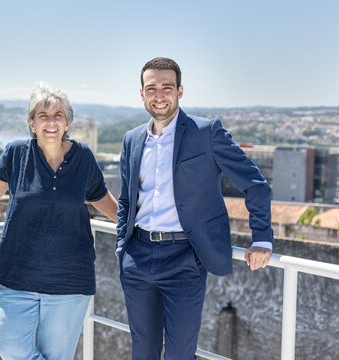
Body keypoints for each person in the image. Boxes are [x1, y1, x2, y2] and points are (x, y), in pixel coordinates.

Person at [116, 57, 274, 360]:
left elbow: (255, 183)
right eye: (151, 88)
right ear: (142, 94)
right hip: (137, 258)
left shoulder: (207, 132)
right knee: (143, 352)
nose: (159, 95)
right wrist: (122, 247)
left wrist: (262, 238)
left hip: (184, 260)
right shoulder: (132, 140)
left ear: (180, 91)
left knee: (180, 353)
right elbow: (126, 199)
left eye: (167, 87)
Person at [0, 84, 118, 360]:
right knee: (11, 347)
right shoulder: (16, 153)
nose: (51, 121)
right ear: (31, 124)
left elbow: (101, 197)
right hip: (16, 276)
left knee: (56, 355)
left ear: (67, 123)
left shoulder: (83, 158)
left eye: (58, 115)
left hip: (69, 281)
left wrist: (136, 226)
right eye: (43, 116)